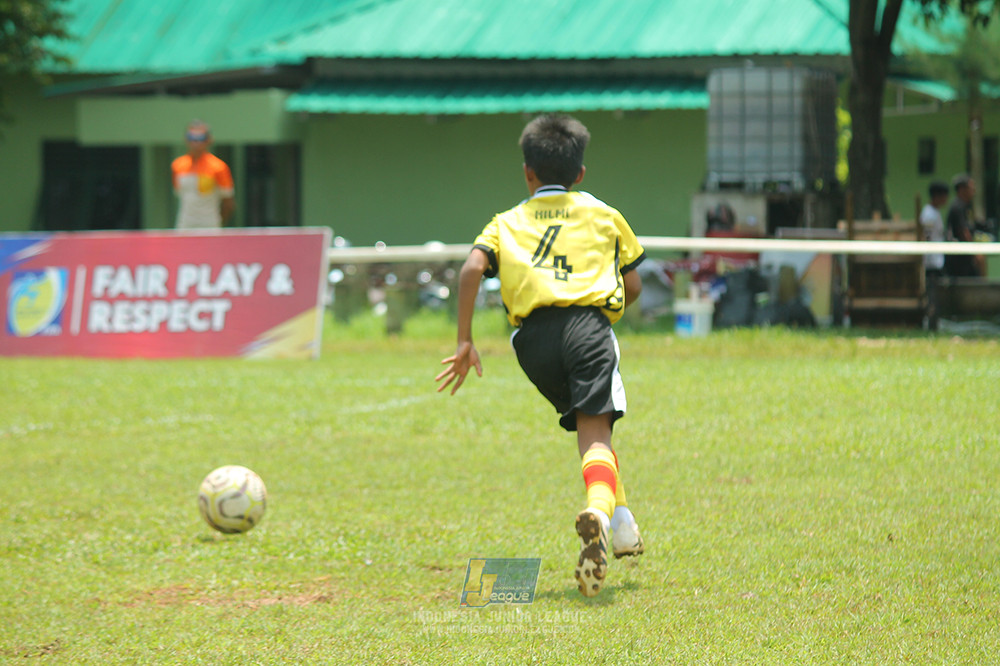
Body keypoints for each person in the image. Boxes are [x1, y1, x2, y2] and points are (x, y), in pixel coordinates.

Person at [435, 113, 646, 597]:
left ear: (527, 172)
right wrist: (606, 317)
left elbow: (471, 269)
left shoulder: (505, 221)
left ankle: (623, 525)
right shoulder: (603, 213)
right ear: (580, 174)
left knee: (593, 426)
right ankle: (599, 512)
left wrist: (464, 341)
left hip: (531, 343)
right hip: (588, 328)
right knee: (596, 431)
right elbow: (633, 283)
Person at [171, 120, 235, 229]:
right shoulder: (177, 165)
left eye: (201, 138)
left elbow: (228, 203)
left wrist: (218, 223)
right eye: (192, 138)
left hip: (210, 225)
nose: (196, 143)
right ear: (186, 139)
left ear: (209, 140)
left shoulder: (219, 167)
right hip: (185, 225)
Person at [944, 174, 984, 277]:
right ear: (962, 189)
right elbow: (963, 231)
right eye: (971, 187)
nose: (974, 190)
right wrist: (974, 253)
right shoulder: (957, 206)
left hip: (964, 259)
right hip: (959, 260)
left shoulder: (966, 206)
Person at [920, 180, 948, 284]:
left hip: (937, 259)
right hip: (931, 261)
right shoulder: (929, 214)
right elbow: (927, 236)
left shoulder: (936, 212)